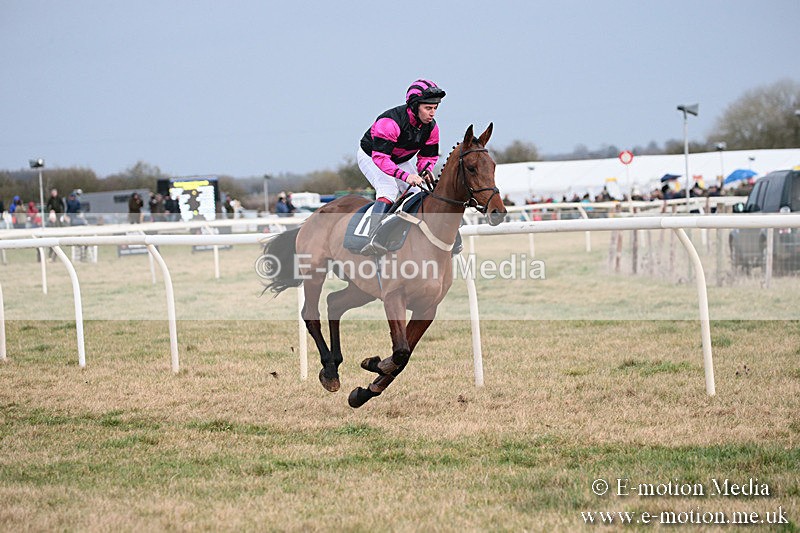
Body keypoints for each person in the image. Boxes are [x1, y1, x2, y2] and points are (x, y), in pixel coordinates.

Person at [357, 79, 445, 254]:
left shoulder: (431, 128)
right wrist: (406, 177)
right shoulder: (389, 122)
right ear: (414, 106)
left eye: (435, 108)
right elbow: (381, 159)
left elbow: (427, 156)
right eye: (428, 108)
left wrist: (425, 170)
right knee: (388, 189)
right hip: (372, 156)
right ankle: (372, 238)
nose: (432, 113)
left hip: (400, 159)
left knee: (419, 194)